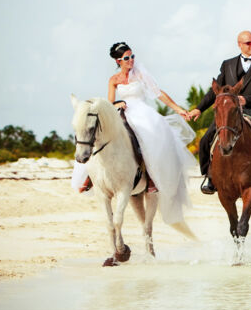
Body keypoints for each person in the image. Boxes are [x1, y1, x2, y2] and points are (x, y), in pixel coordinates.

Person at [72, 42, 196, 225]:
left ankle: (151, 179)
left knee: (148, 138)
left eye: (132, 56)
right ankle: (90, 176)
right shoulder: (113, 80)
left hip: (141, 113)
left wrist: (178, 109)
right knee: (100, 137)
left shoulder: (140, 75)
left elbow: (158, 93)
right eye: (126, 58)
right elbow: (110, 102)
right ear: (118, 61)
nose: (131, 61)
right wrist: (117, 104)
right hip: (122, 113)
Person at [189, 30, 251, 194]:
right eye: (248, 43)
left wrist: (246, 100)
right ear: (239, 45)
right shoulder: (227, 64)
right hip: (229, 112)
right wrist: (199, 108)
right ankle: (209, 177)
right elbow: (214, 91)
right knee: (205, 139)